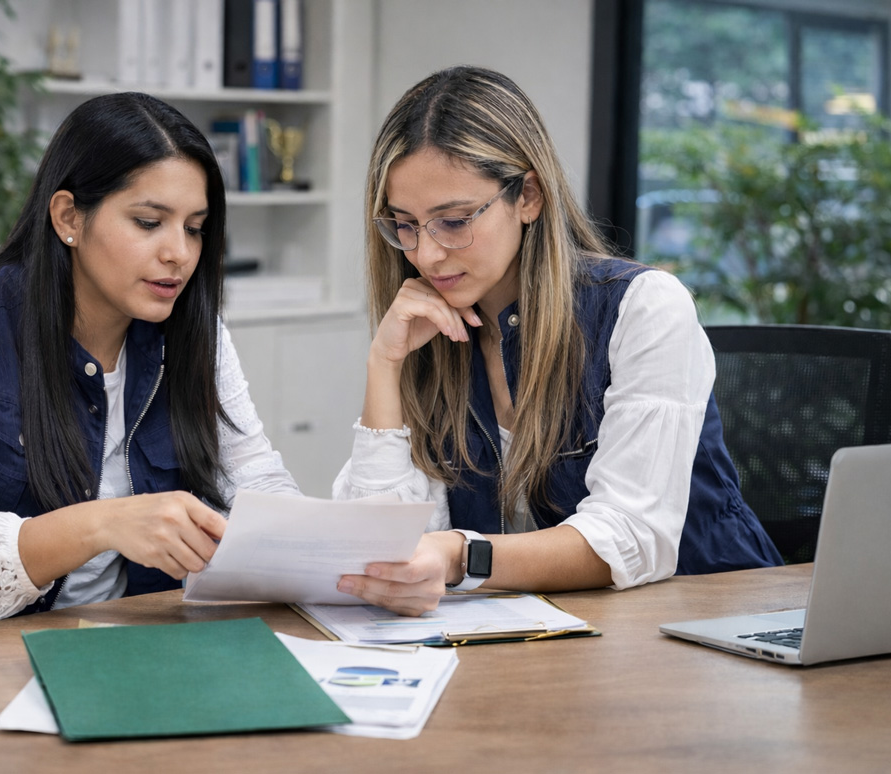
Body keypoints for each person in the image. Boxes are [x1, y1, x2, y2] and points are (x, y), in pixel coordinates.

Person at [0, 93, 300, 653]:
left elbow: (259, 485)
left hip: (120, 655)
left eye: (195, 228)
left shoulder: (195, 334)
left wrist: (314, 545)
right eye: (149, 222)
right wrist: (104, 523)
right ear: (68, 217)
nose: (179, 253)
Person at [332, 66, 782, 617]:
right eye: (405, 224)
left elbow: (629, 538)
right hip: (550, 641)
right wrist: (385, 364)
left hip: (706, 623)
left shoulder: (645, 308)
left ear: (528, 196)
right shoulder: (431, 325)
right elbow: (384, 550)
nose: (425, 255)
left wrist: (459, 556)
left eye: (452, 221)